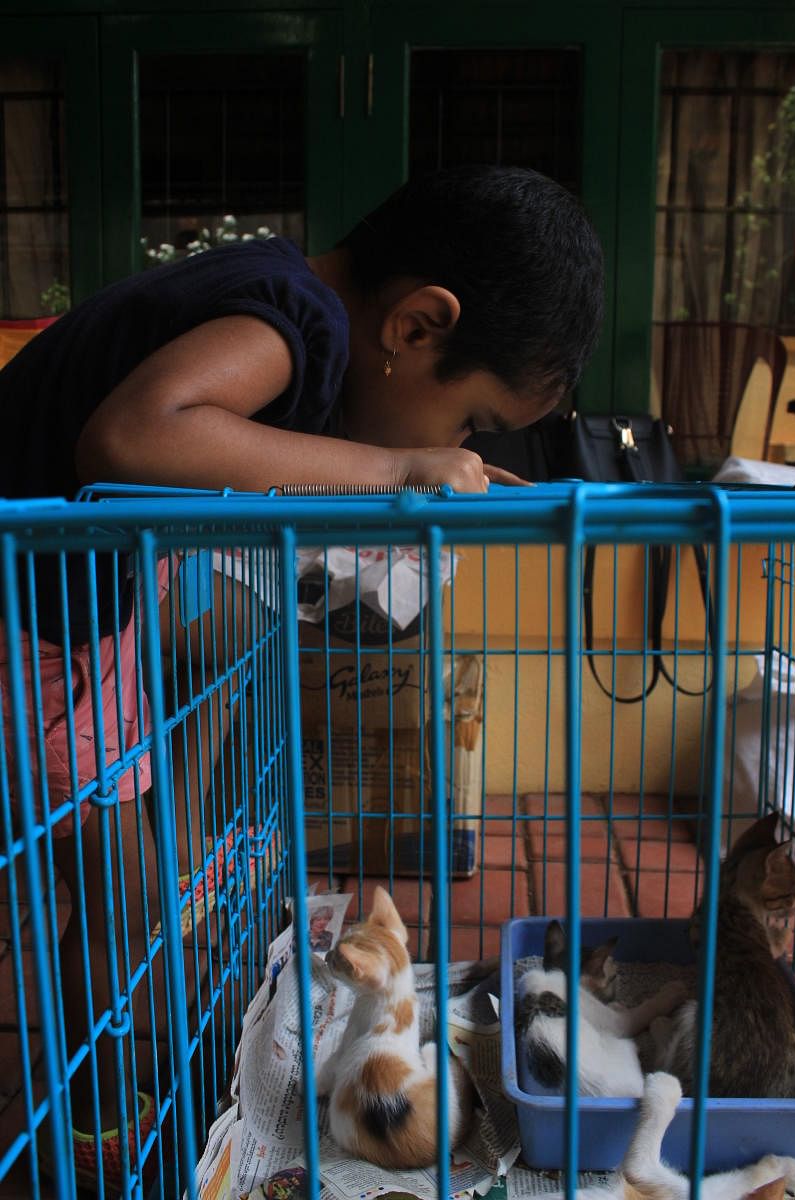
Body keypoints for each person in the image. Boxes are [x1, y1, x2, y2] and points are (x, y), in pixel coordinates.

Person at [0, 164, 604, 1192]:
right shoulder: (292, 316)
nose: (454, 448)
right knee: (120, 885)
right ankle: (110, 1118)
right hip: (28, 623)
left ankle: (109, 1081)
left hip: (70, 621)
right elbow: (134, 435)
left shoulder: (300, 322)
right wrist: (395, 470)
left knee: (98, 871)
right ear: (415, 325)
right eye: (466, 421)